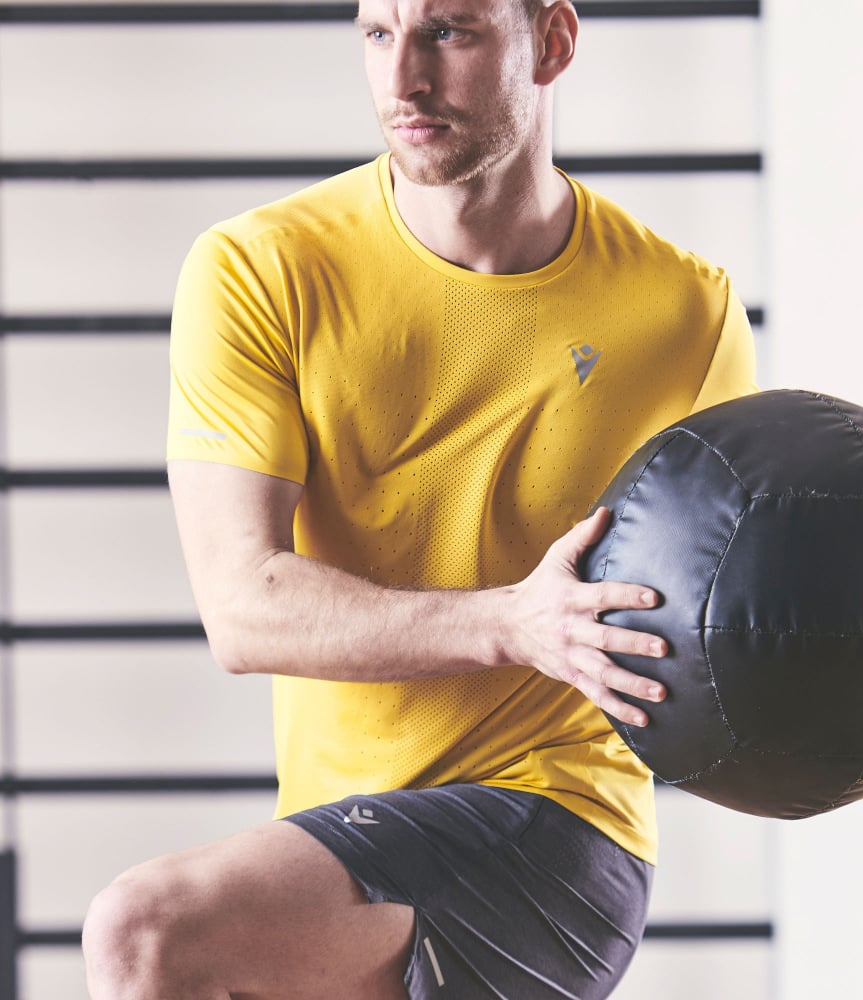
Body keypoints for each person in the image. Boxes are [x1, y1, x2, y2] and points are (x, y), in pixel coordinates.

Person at [81, 0, 756, 994]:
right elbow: (242, 607)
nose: (402, 80)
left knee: (146, 931)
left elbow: (737, 612)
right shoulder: (260, 271)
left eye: (450, 31)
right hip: (342, 840)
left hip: (561, 821)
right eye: (376, 33)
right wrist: (508, 623)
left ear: (553, 42)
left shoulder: (685, 310)